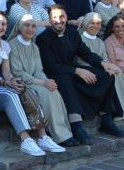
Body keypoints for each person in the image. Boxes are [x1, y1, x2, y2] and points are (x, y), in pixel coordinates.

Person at [0, 11, 67, 155]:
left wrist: (12, 81)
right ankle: (26, 139)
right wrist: (5, 83)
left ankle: (42, 136)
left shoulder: (5, 45)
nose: (0, 27)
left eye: (3, 24)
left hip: (1, 83)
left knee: (27, 90)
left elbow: (6, 71)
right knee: (11, 95)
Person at [36, 5, 124, 145]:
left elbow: (85, 52)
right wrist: (78, 71)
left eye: (62, 16)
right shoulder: (43, 38)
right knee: (65, 80)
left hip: (72, 69)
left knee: (107, 75)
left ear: (66, 18)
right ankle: (76, 125)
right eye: (54, 17)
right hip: (56, 73)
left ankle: (106, 119)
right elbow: (50, 66)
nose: (59, 20)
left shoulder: (73, 33)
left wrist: (103, 63)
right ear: (49, 19)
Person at [7, 14, 75, 147]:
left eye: (33, 26)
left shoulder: (34, 47)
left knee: (53, 90)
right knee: (46, 93)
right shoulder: (12, 45)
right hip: (22, 83)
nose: (30, 29)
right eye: (27, 25)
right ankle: (58, 135)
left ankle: (65, 132)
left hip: (36, 81)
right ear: (19, 27)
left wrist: (47, 81)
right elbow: (17, 72)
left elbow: (39, 70)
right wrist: (42, 83)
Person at [77, 12, 124, 122]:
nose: (95, 26)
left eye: (98, 23)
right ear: (86, 24)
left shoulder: (100, 41)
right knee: (110, 75)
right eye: (92, 23)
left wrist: (111, 67)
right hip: (86, 72)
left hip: (100, 69)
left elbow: (105, 59)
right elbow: (81, 60)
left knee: (118, 74)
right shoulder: (80, 39)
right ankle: (116, 111)